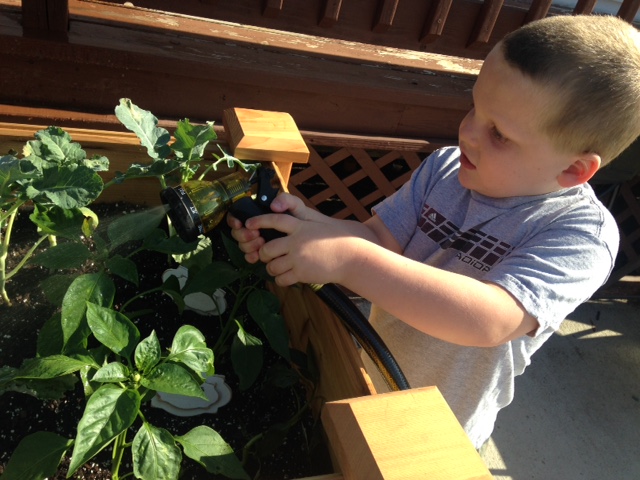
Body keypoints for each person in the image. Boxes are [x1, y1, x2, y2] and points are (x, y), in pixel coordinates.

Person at [227, 14, 640, 449]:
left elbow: (490, 319)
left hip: (439, 423)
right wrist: (307, 227)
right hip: (370, 367)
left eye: (498, 133)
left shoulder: (579, 236)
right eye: (474, 108)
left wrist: (347, 259)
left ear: (575, 169)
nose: (467, 133)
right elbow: (379, 241)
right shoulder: (446, 169)